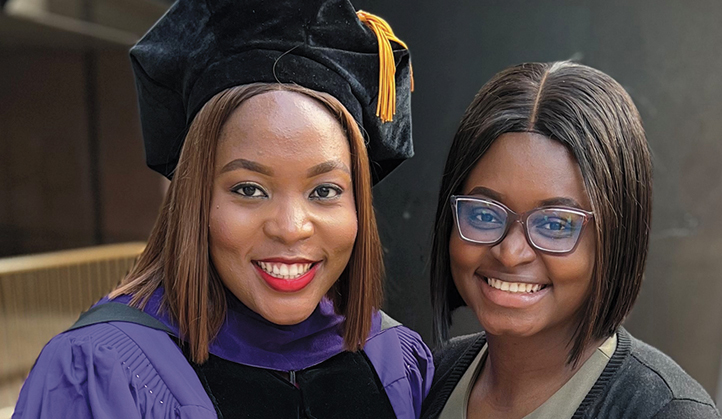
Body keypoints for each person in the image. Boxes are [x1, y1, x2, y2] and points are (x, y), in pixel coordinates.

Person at [12, 1, 432, 418]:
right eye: (249, 189)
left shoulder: (394, 360)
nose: (290, 228)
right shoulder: (100, 372)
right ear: (195, 199)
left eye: (324, 191)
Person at [420, 62, 721, 419]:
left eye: (555, 224)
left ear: (615, 237)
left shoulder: (664, 411)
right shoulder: (429, 378)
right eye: (485, 214)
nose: (511, 253)